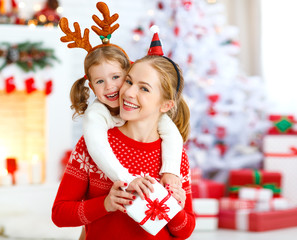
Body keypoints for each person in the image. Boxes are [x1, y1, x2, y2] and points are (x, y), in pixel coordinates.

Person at [52, 49, 195, 239]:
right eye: (129, 81)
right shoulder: (92, 145)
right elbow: (60, 214)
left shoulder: (174, 156)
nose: (128, 92)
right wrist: (106, 204)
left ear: (166, 105)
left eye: (144, 88)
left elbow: (185, 231)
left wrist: (175, 207)